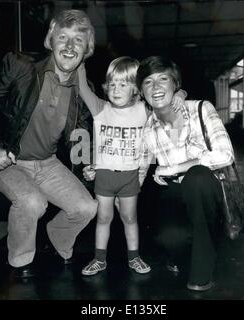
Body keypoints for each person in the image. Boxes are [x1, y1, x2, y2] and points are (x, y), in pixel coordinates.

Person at [0, 9, 98, 278]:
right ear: (50, 40)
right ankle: (20, 262)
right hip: (10, 160)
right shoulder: (20, 65)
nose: (70, 45)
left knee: (87, 207)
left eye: (78, 39)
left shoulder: (84, 89)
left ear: (87, 48)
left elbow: (81, 133)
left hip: (48, 163)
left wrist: (87, 165)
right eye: (62, 37)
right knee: (31, 202)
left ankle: (58, 237)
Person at [77, 57, 187, 276]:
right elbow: (81, 87)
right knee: (103, 218)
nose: (116, 89)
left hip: (130, 176)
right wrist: (80, 60)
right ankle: (99, 259)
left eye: (124, 84)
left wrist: (180, 93)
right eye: (113, 84)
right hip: (105, 176)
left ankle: (134, 257)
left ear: (136, 89)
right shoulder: (100, 108)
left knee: (130, 218)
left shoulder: (143, 110)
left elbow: (165, 105)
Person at [136, 56, 234, 291]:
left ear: (175, 84)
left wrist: (174, 168)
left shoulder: (201, 108)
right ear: (141, 92)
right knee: (168, 237)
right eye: (148, 82)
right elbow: (139, 168)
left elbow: (225, 155)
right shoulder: (148, 128)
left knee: (197, 176)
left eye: (163, 79)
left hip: (208, 188)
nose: (156, 87)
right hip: (176, 191)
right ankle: (182, 252)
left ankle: (201, 274)